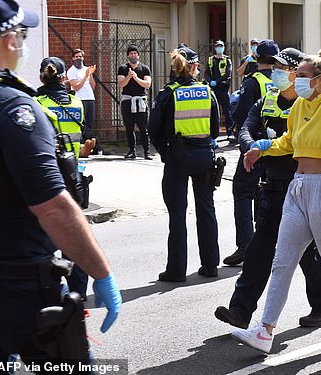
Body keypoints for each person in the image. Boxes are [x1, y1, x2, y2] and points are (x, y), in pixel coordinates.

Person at [0, 0, 121, 366]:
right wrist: (101, 273)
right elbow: (54, 208)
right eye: (21, 34)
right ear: (11, 39)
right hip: (18, 286)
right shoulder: (12, 107)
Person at [231, 48, 321, 354]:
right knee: (282, 262)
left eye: (302, 75)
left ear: (320, 79)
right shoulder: (299, 106)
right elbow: (289, 141)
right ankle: (265, 330)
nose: (296, 79)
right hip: (298, 187)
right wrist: (261, 146)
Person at [215, 47, 321, 330]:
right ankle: (240, 310)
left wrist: (269, 148)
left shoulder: (310, 104)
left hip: (300, 186)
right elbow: (245, 127)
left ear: (298, 73)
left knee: (307, 253)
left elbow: (300, 143)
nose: (277, 72)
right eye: (275, 67)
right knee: (261, 248)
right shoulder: (266, 99)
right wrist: (253, 147)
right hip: (271, 186)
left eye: (283, 67)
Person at [148, 46, 221, 281]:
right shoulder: (206, 91)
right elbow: (214, 129)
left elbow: (153, 130)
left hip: (177, 158)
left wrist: (166, 152)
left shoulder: (168, 93)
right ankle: (210, 265)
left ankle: (176, 270)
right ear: (194, 66)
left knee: (177, 213)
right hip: (204, 156)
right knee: (206, 209)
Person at [34, 56, 94, 300]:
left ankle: (50, 293)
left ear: (41, 77)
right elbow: (82, 138)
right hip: (73, 175)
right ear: (63, 79)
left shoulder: (36, 104)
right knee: (75, 236)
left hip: (48, 179)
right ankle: (78, 295)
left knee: (45, 239)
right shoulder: (76, 102)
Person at [223, 40, 278, 266]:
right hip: (274, 146)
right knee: (265, 194)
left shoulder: (253, 82)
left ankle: (246, 245)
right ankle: (266, 243)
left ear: (257, 59)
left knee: (243, 191)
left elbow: (241, 114)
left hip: (253, 144)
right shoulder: (281, 81)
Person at [118, 44, 152, 159]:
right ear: (128, 55)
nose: (133, 55)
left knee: (143, 128)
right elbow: (121, 84)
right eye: (131, 53)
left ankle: (147, 152)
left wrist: (136, 78)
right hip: (127, 100)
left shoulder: (145, 68)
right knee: (129, 127)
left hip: (140, 101)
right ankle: (132, 150)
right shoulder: (123, 68)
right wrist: (129, 76)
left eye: (135, 53)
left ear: (138, 55)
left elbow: (147, 84)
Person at [67, 48, 99, 155]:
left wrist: (90, 74)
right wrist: (86, 75)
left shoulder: (86, 69)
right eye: (76, 57)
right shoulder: (71, 71)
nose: (78, 58)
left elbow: (93, 86)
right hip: (79, 99)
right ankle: (81, 146)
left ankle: (91, 146)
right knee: (82, 124)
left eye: (80, 56)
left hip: (90, 98)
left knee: (89, 123)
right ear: (73, 58)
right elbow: (76, 87)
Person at [205, 40, 234, 141]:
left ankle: (229, 132)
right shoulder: (210, 60)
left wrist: (217, 81)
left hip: (223, 88)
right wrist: (210, 81)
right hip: (213, 89)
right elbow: (206, 73)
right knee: (213, 111)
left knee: (227, 111)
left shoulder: (227, 60)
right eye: (218, 46)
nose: (219, 48)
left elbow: (227, 74)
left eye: (221, 46)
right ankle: (213, 133)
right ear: (214, 48)